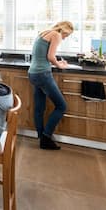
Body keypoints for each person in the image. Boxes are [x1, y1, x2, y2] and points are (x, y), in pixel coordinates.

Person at [28, 21, 74, 150]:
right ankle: (46, 137)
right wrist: (60, 65)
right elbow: (50, 56)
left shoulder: (44, 33)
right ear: (64, 30)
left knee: (39, 108)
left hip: (33, 73)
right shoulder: (56, 35)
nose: (65, 38)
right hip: (43, 74)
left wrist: (58, 62)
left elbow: (43, 56)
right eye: (67, 35)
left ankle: (41, 136)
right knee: (61, 106)